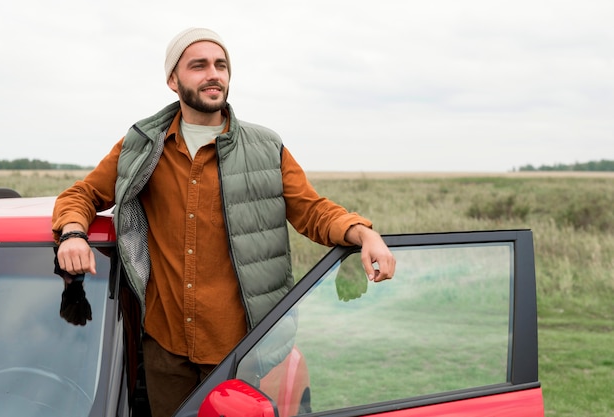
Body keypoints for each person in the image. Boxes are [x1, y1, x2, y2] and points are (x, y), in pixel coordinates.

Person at [52, 27, 396, 417]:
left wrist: (363, 233)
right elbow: (81, 195)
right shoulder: (142, 145)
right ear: (173, 80)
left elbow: (313, 211)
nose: (213, 74)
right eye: (198, 65)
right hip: (165, 351)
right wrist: (73, 233)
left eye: (221, 65)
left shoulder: (266, 148)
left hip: (241, 353)